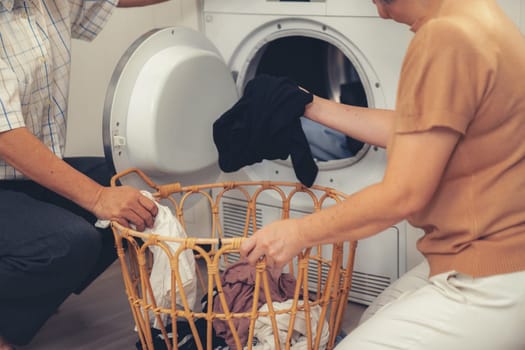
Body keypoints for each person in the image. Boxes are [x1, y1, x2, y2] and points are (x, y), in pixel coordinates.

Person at [240, 0, 525, 349]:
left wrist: (296, 233)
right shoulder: (477, 15)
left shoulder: (444, 37)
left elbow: (403, 194)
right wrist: (308, 104)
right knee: (372, 318)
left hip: (489, 276)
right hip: (490, 257)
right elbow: (418, 130)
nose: (381, 13)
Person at [0, 0, 168, 348]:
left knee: (131, 183)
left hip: (18, 176)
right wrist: (97, 198)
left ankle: (31, 296)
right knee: (69, 241)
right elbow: (5, 137)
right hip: (7, 159)